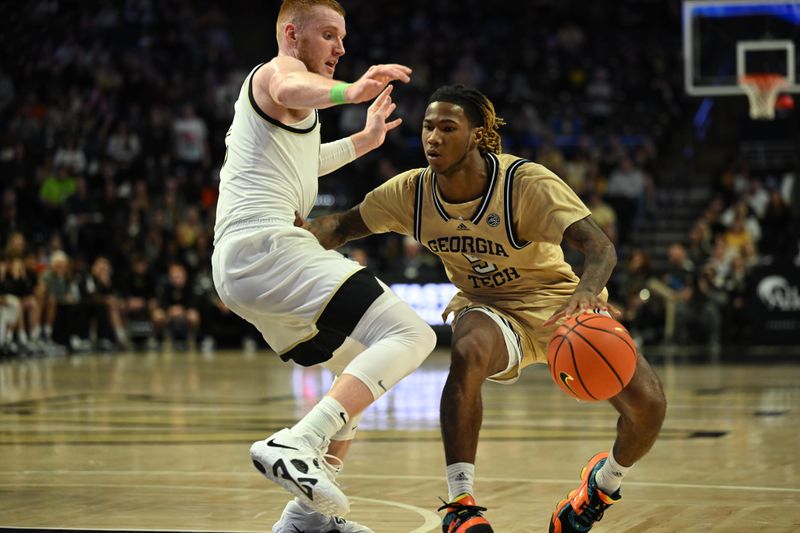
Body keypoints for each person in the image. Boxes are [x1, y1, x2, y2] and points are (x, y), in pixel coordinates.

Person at [298, 85, 667, 533]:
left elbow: (600, 247)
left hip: (558, 304)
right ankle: (460, 503)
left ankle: (599, 488)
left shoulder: (524, 184)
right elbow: (343, 225)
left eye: (447, 128)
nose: (433, 138)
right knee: (468, 348)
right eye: (428, 127)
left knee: (648, 406)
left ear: (476, 136)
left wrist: (587, 293)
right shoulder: (413, 192)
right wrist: (286, 232)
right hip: (487, 306)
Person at [210, 1, 437, 532]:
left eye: (342, 37)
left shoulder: (287, 116)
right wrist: (353, 92)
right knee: (411, 336)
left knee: (355, 368)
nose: (340, 48)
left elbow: (303, 162)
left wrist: (364, 140)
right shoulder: (277, 74)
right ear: (292, 34)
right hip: (266, 248)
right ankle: (297, 442)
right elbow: (291, 87)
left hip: (247, 263)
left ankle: (306, 518)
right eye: (329, 36)